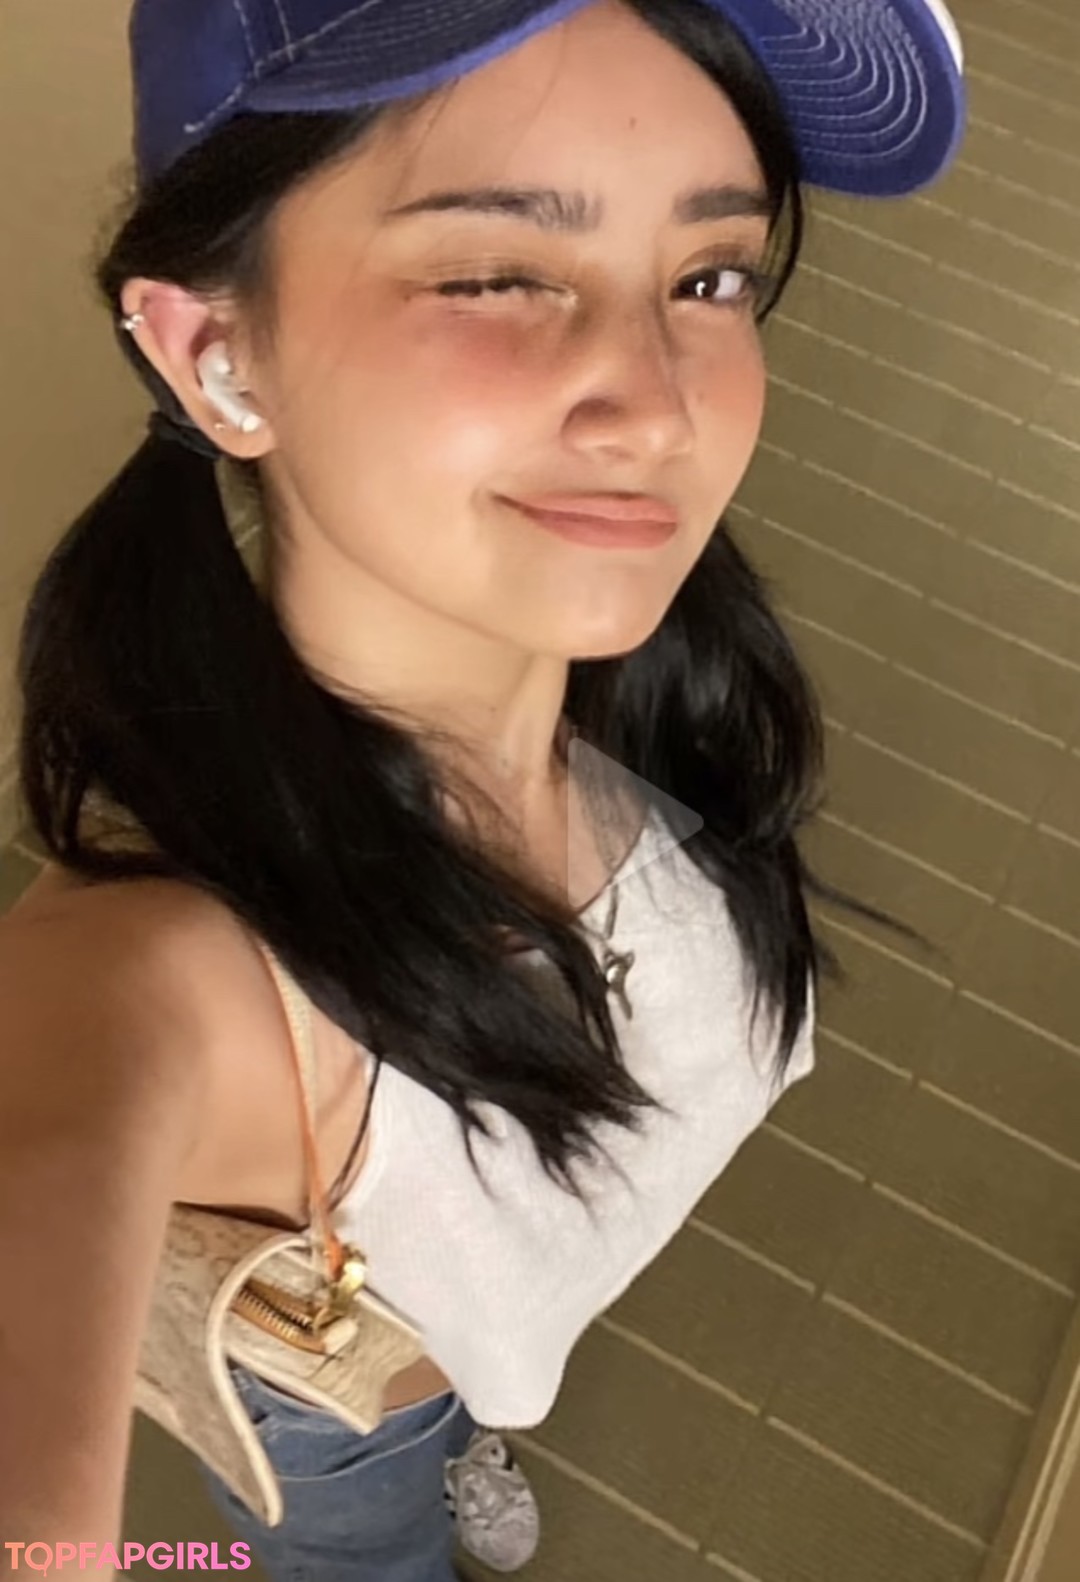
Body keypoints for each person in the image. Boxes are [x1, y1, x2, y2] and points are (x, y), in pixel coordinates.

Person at [0, 0, 965, 1578]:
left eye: (708, 276)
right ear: (212, 350)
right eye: (498, 273)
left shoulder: (654, 690)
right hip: (345, 1407)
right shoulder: (164, 974)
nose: (659, 407)